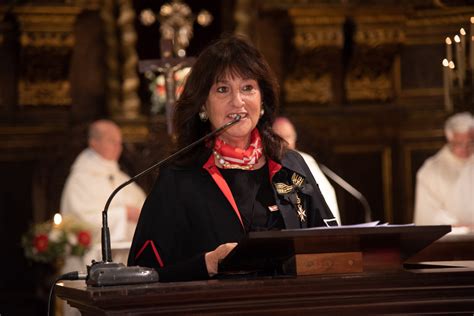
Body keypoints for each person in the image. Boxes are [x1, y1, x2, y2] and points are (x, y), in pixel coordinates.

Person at [128, 35, 338, 282]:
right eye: (222, 89)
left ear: (262, 101)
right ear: (203, 106)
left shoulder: (290, 164)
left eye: (247, 88)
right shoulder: (179, 175)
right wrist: (207, 263)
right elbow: (143, 273)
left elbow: (332, 245)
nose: (237, 102)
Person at [61, 120, 146, 264]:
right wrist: (123, 214)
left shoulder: (120, 176)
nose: (118, 147)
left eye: (120, 142)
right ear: (94, 143)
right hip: (91, 258)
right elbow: (80, 221)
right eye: (112, 141)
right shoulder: (80, 178)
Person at [272, 116, 341, 224]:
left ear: (295, 138)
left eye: (288, 136)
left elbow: (326, 195)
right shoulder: (265, 163)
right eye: (279, 137)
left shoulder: (305, 160)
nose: (284, 142)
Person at [414, 112, 474, 228]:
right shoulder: (431, 170)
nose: (465, 149)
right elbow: (428, 214)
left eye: (470, 143)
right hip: (451, 238)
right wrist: (463, 227)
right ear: (449, 140)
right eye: (459, 144)